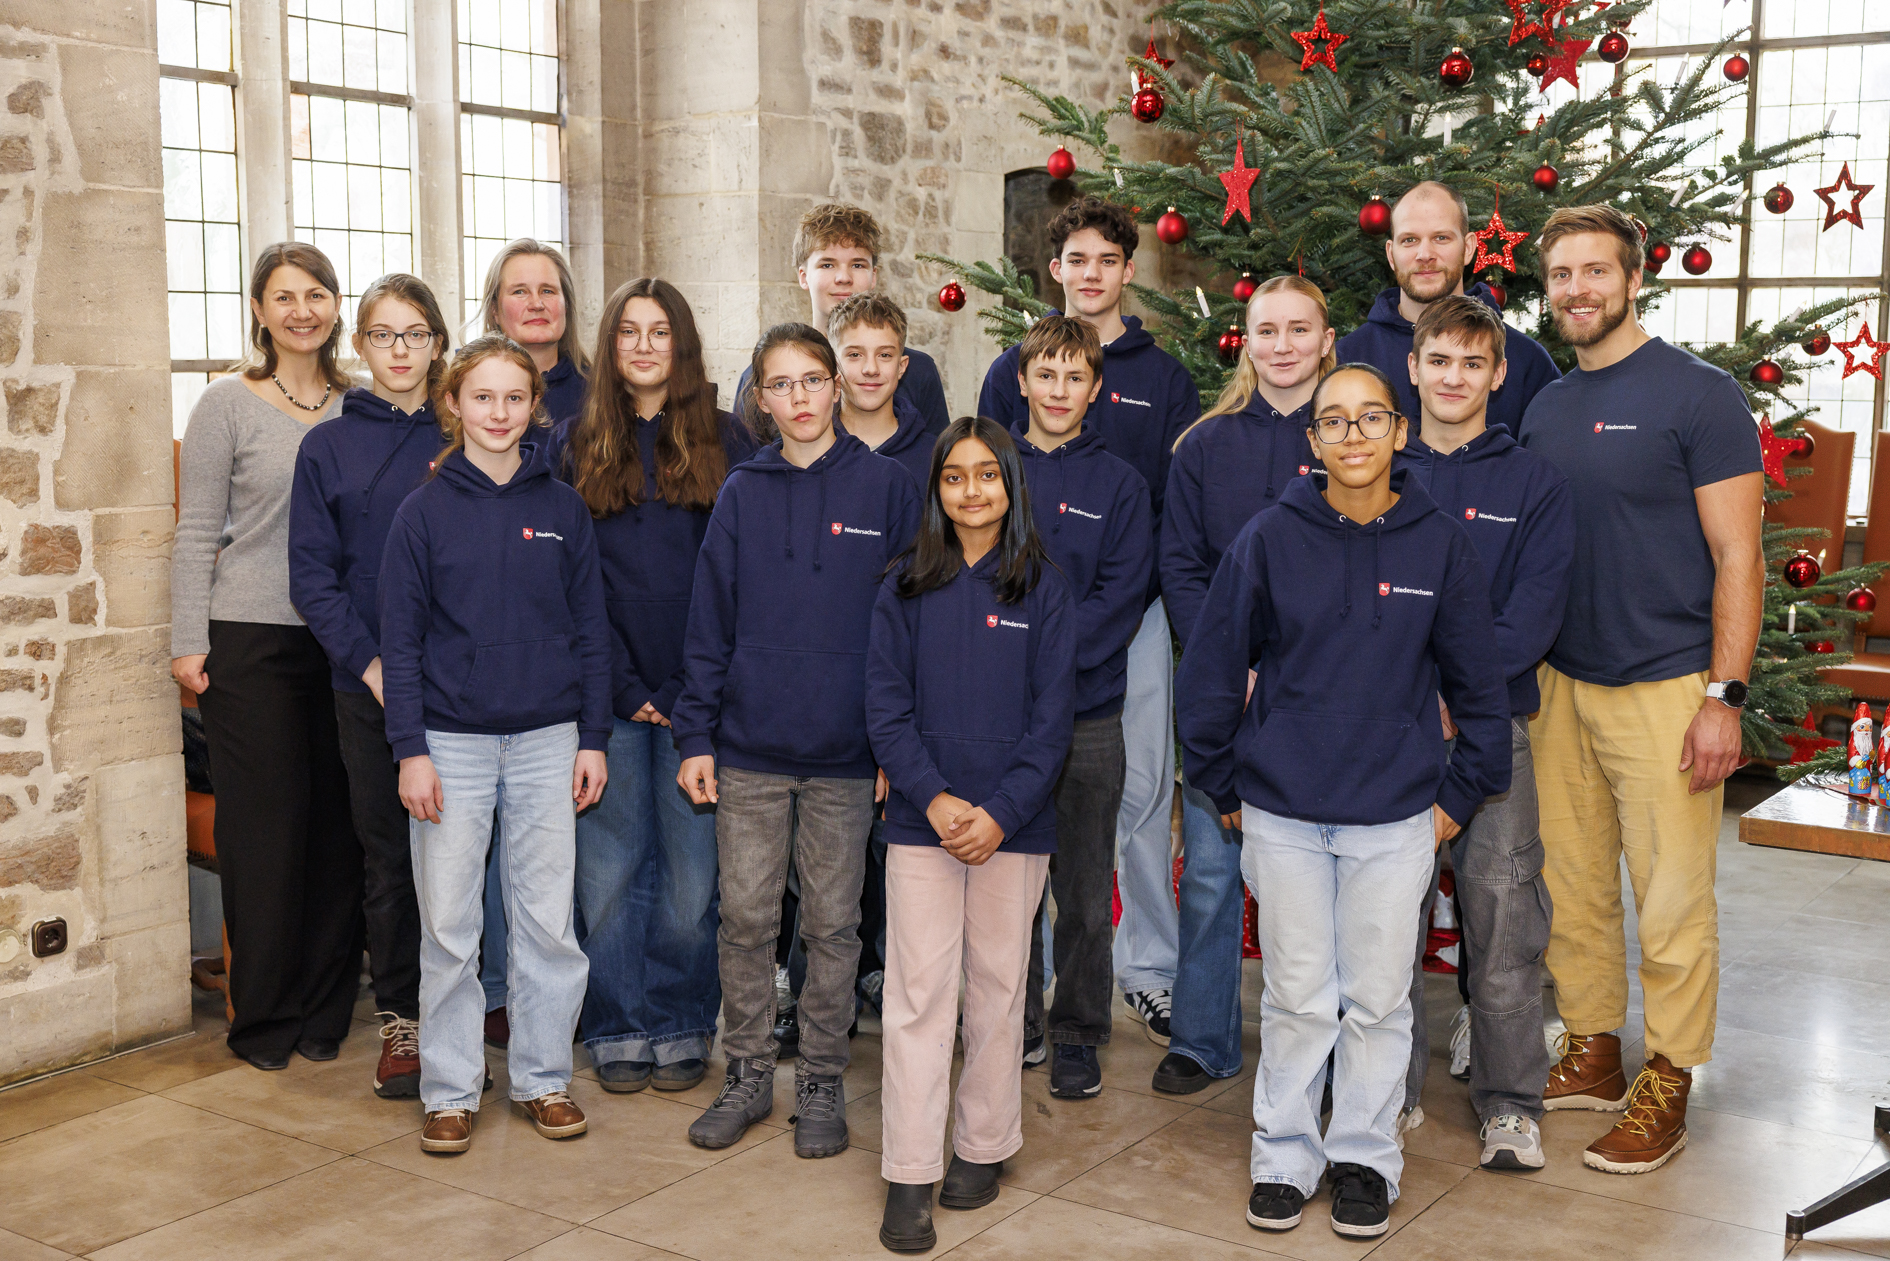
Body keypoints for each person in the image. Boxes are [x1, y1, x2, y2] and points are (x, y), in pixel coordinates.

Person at [1176, 363, 1509, 1239]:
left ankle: (1364, 1153)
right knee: (1295, 994)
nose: (1354, 435)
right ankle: (1284, 1153)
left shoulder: (1441, 543)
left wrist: (1457, 795)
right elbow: (1210, 669)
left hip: (1397, 814)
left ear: (1400, 433)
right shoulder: (1268, 538)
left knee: (1376, 997)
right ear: (1312, 440)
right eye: (1334, 421)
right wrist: (1221, 783)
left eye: (1371, 419)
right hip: (1282, 810)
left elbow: (1481, 687)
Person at [1520, 205, 1763, 1175]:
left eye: (1593, 271)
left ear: (1634, 277)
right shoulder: (1543, 405)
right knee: (1572, 886)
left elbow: (1739, 553)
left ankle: (1669, 1073)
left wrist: (1725, 694)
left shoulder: (1700, 396)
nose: (1575, 290)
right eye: (1560, 276)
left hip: (1666, 686)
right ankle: (1593, 1046)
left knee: (1670, 898)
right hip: (1557, 683)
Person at [672, 324, 922, 1159]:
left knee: (833, 925)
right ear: (762, 399)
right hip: (748, 750)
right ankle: (746, 1070)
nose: (801, 398)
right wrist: (696, 734)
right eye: (781, 385)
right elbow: (710, 622)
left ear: (837, 385)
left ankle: (820, 1076)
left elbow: (905, 629)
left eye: (813, 379)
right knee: (743, 917)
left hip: (847, 757)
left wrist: (894, 744)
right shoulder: (742, 490)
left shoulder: (887, 488)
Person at [379, 334, 612, 1155]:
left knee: (547, 923)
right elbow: (399, 643)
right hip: (451, 744)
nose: (500, 413)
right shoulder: (422, 514)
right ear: (455, 404)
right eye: (483, 397)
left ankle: (544, 1080)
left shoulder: (563, 509)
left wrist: (593, 737)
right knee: (448, 925)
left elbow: (592, 630)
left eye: (515, 398)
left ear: (534, 408)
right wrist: (411, 748)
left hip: (550, 738)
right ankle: (448, 1090)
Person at [976, 195, 1199, 1042]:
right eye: (1076, 260)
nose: (1091, 275)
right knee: (1026, 801)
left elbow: (1173, 506)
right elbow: (984, 486)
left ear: (1127, 270)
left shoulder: (1164, 378)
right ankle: (1024, 978)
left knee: (1135, 794)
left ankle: (1146, 969)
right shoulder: (1011, 367)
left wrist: (1105, 621)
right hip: (1018, 618)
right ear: (1056, 269)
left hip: (1126, 615)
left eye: (1107, 261)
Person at [869, 416, 1076, 1253]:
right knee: (917, 995)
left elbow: (1052, 723)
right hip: (924, 822)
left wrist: (997, 812)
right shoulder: (904, 585)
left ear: (1011, 485)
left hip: (1013, 829)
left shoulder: (1046, 589)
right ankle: (909, 1168)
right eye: (954, 477)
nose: (971, 490)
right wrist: (938, 799)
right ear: (937, 490)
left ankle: (983, 1144)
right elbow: (885, 708)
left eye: (987, 475)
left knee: (997, 987)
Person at [549, 278, 757, 1095]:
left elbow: (735, 579)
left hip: (698, 697)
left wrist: (678, 686)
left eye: (659, 330)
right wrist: (628, 685)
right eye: (628, 331)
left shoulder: (730, 439)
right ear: (609, 346)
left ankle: (679, 1019)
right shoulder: (572, 442)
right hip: (603, 693)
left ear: (682, 344)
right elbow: (569, 582)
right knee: (606, 881)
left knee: (689, 885)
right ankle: (617, 1023)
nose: (643, 345)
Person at [1394, 295, 1574, 1170]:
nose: (1454, 377)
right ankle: (1382, 1092)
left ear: (1499, 374)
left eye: (1474, 363)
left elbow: (1532, 614)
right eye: (1440, 361)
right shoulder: (1376, 468)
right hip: (1387, 737)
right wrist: (1407, 692)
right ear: (1414, 367)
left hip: (1490, 734)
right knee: (1384, 920)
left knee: (1504, 917)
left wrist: (1458, 698)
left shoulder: (1533, 482)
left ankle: (1510, 1101)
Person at [172, 242, 357, 1073]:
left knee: (337, 830)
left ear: (335, 303)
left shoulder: (362, 407)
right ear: (259, 309)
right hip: (250, 640)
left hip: (346, 642)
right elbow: (195, 528)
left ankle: (326, 1010)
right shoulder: (227, 404)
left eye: (315, 294)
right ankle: (265, 1018)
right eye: (283, 296)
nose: (301, 310)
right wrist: (187, 641)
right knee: (265, 832)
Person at [1153, 276, 1332, 1097]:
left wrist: (1291, 659)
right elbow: (1181, 564)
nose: (1284, 345)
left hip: (1319, 691)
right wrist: (1229, 656)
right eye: (1268, 330)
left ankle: (1327, 1047)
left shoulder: (1351, 440)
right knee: (1215, 868)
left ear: (1327, 341)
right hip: (1225, 691)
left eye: (1300, 329)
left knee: (1323, 873)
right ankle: (1202, 1035)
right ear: (1245, 339)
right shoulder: (1202, 444)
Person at [289, 272, 451, 1099]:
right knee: (390, 856)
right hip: (371, 684)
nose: (399, 350)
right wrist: (376, 664)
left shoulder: (470, 431)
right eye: (383, 335)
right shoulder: (327, 445)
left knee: (468, 854)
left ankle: (475, 1002)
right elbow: (312, 579)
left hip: (464, 685)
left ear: (437, 343)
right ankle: (404, 1020)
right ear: (360, 346)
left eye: (414, 334)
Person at [1008, 316, 1151, 1098]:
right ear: (1022, 381)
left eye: (1075, 378)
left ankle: (1077, 1029)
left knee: (1086, 888)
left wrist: (1049, 669)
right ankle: (1017, 1020)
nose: (1059, 391)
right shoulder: (992, 469)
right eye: (1046, 375)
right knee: (1009, 885)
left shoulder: (1121, 485)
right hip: (1001, 715)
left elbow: (1120, 598)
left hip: (1090, 715)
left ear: (1095, 390)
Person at [470, 238, 592, 1048]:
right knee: (482, 861)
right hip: (481, 669)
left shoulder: (596, 396)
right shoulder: (479, 396)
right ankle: (493, 994)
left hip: (565, 647)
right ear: (496, 305)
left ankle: (557, 1005)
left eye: (550, 288)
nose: (537, 301)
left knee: (556, 861)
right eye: (520, 289)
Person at [1334, 181, 1559, 438]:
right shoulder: (1348, 357)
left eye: (1441, 238)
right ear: (1391, 254)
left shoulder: (1526, 360)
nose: (1425, 254)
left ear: (1469, 248)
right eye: (1409, 240)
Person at [733, 205, 949, 433]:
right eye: (827, 264)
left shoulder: (917, 371)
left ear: (873, 276)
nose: (843, 278)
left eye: (857, 265)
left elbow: (937, 459)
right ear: (804, 277)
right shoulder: (765, 376)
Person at [831, 293, 946, 488]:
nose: (871, 369)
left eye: (884, 355)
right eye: (855, 354)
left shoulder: (936, 459)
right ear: (834, 365)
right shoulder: (811, 449)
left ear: (901, 367)